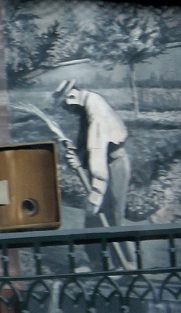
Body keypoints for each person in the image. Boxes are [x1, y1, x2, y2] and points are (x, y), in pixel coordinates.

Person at [53, 79, 129, 229]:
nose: (68, 111)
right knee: (95, 222)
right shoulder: (87, 104)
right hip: (106, 164)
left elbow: (97, 150)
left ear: (72, 97)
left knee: (111, 221)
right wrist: (78, 155)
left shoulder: (96, 111)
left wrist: (96, 195)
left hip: (113, 167)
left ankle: (118, 245)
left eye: (67, 107)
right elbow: (88, 142)